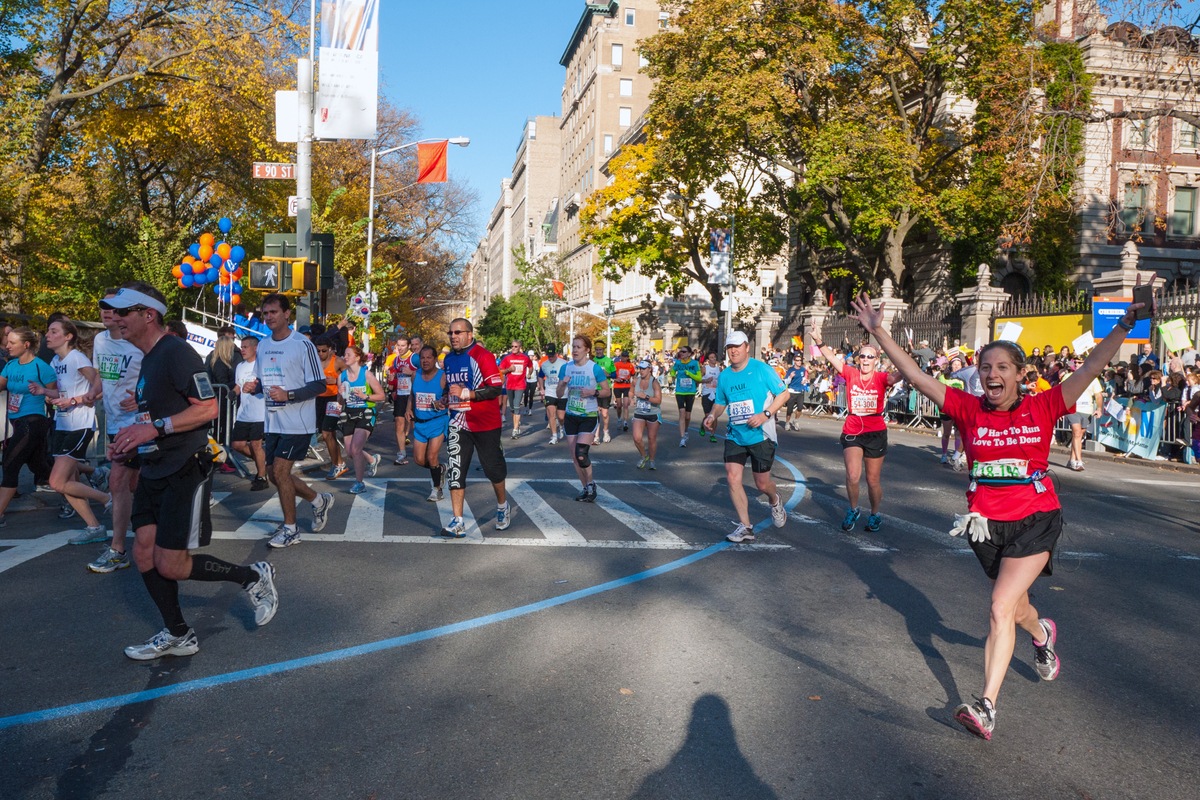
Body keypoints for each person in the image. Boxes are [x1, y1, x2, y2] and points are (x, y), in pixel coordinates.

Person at [847, 283, 1152, 741]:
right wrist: (880, 331)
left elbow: (1092, 365)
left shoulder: (1045, 405)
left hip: (1036, 517)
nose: (992, 374)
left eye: (1002, 367)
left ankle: (986, 706)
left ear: (1020, 374)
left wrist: (1127, 323)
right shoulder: (968, 410)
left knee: (998, 606)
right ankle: (1043, 633)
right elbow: (915, 376)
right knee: (1016, 608)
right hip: (985, 525)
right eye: (985, 367)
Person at [101, 285, 278, 661]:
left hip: (184, 467)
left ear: (148, 314)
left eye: (122, 312)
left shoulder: (175, 352)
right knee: (144, 555)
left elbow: (208, 409)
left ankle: (252, 576)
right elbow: (160, 413)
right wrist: (131, 438)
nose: (115, 318)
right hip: (153, 466)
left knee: (171, 563)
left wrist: (154, 428)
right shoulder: (148, 358)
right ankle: (179, 634)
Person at [251, 293, 334, 549]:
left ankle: (290, 529)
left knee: (279, 472)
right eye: (265, 313)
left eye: (274, 312)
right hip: (272, 420)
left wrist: (289, 395)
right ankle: (319, 500)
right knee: (276, 476)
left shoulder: (302, 344)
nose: (269, 317)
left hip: (297, 421)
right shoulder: (263, 344)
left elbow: (319, 384)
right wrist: (252, 386)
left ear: (287, 314)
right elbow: (263, 382)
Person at [810, 322, 901, 533]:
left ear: (877, 360)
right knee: (852, 475)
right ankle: (853, 509)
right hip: (852, 429)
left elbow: (902, 374)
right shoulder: (851, 373)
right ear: (858, 359)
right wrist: (817, 338)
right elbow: (831, 357)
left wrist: (904, 361)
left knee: (872, 480)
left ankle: (875, 513)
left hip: (875, 430)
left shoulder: (882, 378)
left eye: (870, 357)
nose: (866, 360)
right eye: (863, 356)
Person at [701, 331, 788, 542]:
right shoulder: (725, 375)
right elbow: (721, 402)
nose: (733, 351)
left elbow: (784, 393)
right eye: (730, 347)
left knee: (762, 484)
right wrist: (712, 415)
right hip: (735, 435)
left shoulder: (761, 369)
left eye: (737, 346)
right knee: (732, 477)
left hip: (761, 435)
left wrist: (765, 414)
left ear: (747, 347)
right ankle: (746, 527)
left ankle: (775, 500)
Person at [82, 288, 146, 573]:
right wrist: (93, 392)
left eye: (115, 308)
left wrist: (143, 397)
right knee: (131, 485)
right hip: (115, 423)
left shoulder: (139, 344)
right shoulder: (99, 340)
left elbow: (157, 377)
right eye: (103, 307)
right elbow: (102, 376)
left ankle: (119, 549)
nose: (108, 312)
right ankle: (146, 533)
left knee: (119, 481)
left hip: (140, 423)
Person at [35, 317, 111, 544]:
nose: (48, 335)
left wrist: (78, 399)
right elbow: (60, 394)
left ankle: (107, 499)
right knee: (66, 480)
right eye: (48, 331)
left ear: (68, 337)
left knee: (58, 481)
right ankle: (94, 526)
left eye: (53, 331)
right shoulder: (55, 361)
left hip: (79, 424)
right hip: (62, 423)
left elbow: (100, 383)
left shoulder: (76, 358)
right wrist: (46, 394)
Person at [441, 318, 511, 537]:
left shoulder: (482, 356)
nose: (453, 336)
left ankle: (502, 506)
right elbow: (453, 389)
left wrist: (469, 394)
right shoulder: (449, 359)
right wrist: (445, 399)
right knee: (455, 470)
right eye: (450, 332)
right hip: (458, 422)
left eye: (458, 332)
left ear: (469, 335)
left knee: (492, 469)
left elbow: (495, 389)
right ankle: (458, 520)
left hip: (485, 423)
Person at [0, 327, 55, 528]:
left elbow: (57, 393)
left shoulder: (41, 367)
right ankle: (79, 480)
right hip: (15, 424)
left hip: (33, 423)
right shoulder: (11, 365)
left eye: (12, 343)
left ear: (26, 345)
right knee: (39, 467)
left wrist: (46, 394)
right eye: (7, 342)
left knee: (10, 464)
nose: (7, 346)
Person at [556, 334, 611, 501]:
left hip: (588, 415)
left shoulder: (594, 369)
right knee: (574, 456)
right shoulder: (566, 368)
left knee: (581, 453)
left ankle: (591, 484)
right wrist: (563, 384)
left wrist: (592, 392)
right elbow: (559, 395)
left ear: (587, 350)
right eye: (573, 347)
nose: (575, 350)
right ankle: (586, 487)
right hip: (571, 415)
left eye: (578, 347)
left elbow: (607, 391)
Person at [338, 345, 384, 494]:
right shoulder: (342, 376)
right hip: (349, 413)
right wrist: (340, 394)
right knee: (350, 452)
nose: (345, 357)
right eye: (344, 354)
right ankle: (371, 460)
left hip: (366, 412)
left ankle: (359, 483)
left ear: (357, 357)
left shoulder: (366, 375)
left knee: (356, 449)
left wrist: (366, 397)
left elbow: (382, 396)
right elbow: (340, 401)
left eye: (348, 354)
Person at [408, 345, 449, 501]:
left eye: (428, 357)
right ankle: (440, 469)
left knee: (432, 456)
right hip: (420, 423)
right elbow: (412, 394)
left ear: (435, 359)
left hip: (438, 420)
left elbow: (450, 397)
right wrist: (408, 408)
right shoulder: (415, 375)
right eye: (422, 358)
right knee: (419, 460)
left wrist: (443, 401)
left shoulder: (443, 376)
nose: (425, 361)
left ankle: (437, 489)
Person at [231, 336, 269, 490]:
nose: (242, 349)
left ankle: (261, 477)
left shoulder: (262, 365)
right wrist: (232, 393)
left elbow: (267, 385)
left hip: (259, 413)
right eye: (242, 346)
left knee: (256, 444)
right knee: (237, 445)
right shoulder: (240, 366)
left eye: (246, 346)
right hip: (243, 413)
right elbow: (238, 385)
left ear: (255, 348)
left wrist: (255, 388)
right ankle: (263, 463)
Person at [314, 336, 347, 480]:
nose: (320, 353)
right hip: (319, 399)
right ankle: (340, 462)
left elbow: (350, 377)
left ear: (330, 349)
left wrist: (336, 380)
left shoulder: (337, 361)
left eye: (323, 350)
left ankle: (336, 465)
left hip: (334, 399)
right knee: (329, 434)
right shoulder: (314, 361)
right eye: (318, 351)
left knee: (327, 433)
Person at [386, 335, 416, 465]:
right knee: (399, 422)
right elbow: (395, 375)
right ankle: (401, 453)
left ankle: (425, 449)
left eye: (403, 345)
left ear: (409, 346)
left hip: (414, 395)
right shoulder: (396, 360)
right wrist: (392, 381)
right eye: (398, 345)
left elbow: (427, 372)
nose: (400, 348)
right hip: (401, 394)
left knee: (417, 423)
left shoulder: (414, 358)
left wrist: (412, 372)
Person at [498, 339, 533, 439]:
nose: (513, 348)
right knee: (513, 408)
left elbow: (530, 367)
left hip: (520, 385)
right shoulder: (507, 358)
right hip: (510, 385)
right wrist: (509, 369)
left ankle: (515, 430)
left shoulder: (525, 358)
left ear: (520, 347)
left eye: (516, 346)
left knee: (517, 407)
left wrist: (529, 374)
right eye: (512, 346)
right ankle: (517, 423)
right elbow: (501, 371)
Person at [631, 359, 662, 470]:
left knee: (651, 438)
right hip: (639, 412)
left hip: (653, 413)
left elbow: (658, 400)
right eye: (640, 368)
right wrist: (631, 398)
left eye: (644, 368)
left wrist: (646, 397)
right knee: (637, 438)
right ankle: (644, 456)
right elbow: (631, 391)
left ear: (649, 369)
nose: (641, 371)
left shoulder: (654, 383)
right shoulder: (635, 381)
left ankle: (652, 460)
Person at [669, 346, 702, 446]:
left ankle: (686, 430)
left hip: (690, 392)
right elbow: (672, 371)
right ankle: (682, 438)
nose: (681, 353)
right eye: (680, 352)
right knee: (682, 413)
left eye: (683, 352)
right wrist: (672, 375)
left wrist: (689, 374)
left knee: (687, 416)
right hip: (680, 391)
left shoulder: (695, 363)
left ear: (689, 353)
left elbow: (699, 378)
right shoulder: (678, 363)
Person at [938, 357, 966, 468]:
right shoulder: (943, 377)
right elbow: (940, 392)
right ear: (950, 365)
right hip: (947, 409)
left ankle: (956, 456)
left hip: (960, 410)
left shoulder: (963, 378)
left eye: (959, 364)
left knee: (958, 434)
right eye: (954, 364)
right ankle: (944, 454)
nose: (957, 366)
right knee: (946, 433)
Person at [539, 346, 568, 444]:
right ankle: (554, 436)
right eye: (548, 356)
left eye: (552, 356)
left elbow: (569, 376)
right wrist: (542, 388)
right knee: (551, 413)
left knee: (561, 417)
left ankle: (561, 426)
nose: (550, 358)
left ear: (556, 354)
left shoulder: (564, 363)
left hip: (562, 392)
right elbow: (540, 376)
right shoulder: (544, 364)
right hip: (550, 392)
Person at [592, 341, 616, 443]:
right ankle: (596, 436)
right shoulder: (592, 361)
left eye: (600, 350)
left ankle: (605, 431)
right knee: (596, 412)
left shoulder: (609, 361)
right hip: (595, 389)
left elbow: (615, 375)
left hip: (606, 389)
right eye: (597, 350)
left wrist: (608, 374)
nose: (598, 352)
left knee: (605, 413)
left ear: (603, 350)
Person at [700, 352, 723, 441]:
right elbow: (699, 380)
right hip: (706, 394)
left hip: (715, 394)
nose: (713, 359)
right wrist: (706, 380)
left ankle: (712, 435)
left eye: (714, 357)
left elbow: (722, 381)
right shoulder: (705, 368)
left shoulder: (719, 369)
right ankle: (702, 425)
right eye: (711, 357)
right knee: (707, 415)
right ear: (708, 359)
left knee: (714, 416)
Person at [611, 349, 636, 431]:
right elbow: (612, 374)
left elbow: (633, 375)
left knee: (625, 405)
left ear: (627, 357)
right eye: (622, 356)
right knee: (619, 405)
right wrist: (615, 378)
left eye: (625, 356)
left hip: (627, 386)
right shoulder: (616, 364)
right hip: (618, 386)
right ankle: (619, 419)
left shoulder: (630, 365)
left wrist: (634, 386)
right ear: (621, 357)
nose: (624, 358)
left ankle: (625, 422)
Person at [781, 353, 806, 431]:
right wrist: (790, 377)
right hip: (792, 391)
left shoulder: (803, 369)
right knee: (789, 410)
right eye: (797, 360)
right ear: (794, 361)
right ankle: (787, 422)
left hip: (800, 391)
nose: (799, 362)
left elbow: (804, 378)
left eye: (800, 360)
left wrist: (805, 382)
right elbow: (786, 381)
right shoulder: (791, 370)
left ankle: (796, 420)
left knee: (800, 408)